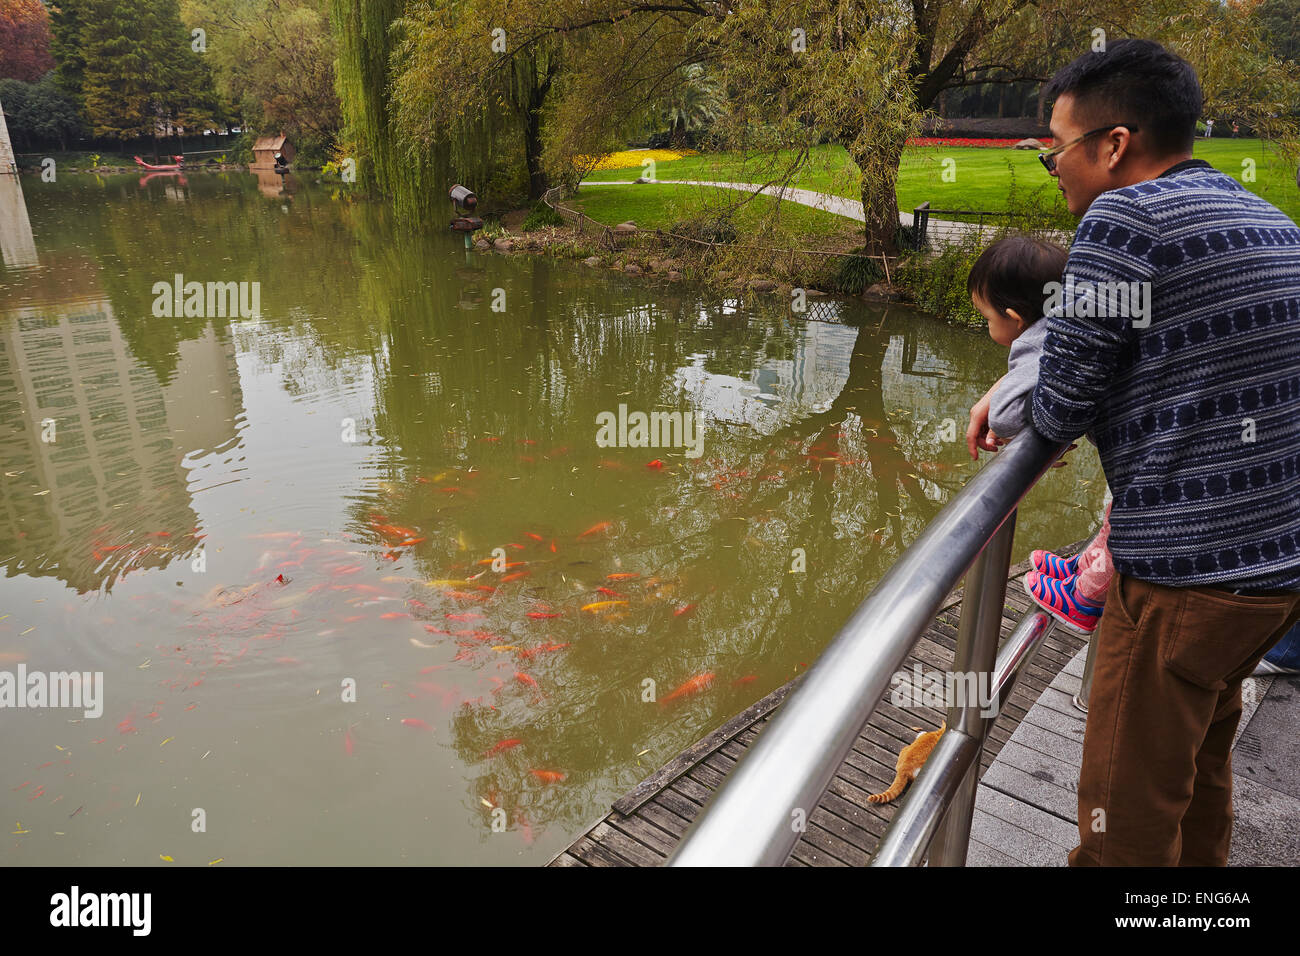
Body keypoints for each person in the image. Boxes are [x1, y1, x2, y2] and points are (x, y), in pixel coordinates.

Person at [966, 39, 1300, 867]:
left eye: (1056, 153)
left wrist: (1007, 402)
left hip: (1189, 573)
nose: (1058, 174)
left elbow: (1066, 396)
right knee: (1198, 771)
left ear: (1113, 145)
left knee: (1125, 807)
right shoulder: (1261, 211)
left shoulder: (1127, 218)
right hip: (1276, 568)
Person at [965, 235, 1114, 633]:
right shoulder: (1074, 318)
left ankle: (1085, 598)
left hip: (1145, 465)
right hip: (1136, 450)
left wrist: (1000, 414)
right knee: (1112, 519)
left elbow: (1009, 414)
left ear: (1014, 318)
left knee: (1123, 529)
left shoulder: (1038, 341)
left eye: (987, 318)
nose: (988, 325)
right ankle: (1083, 567)